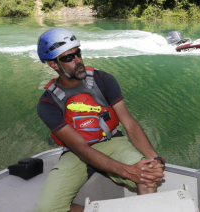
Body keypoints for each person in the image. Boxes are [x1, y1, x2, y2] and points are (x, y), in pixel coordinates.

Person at [34, 28, 165, 212]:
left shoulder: (104, 80)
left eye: (77, 53)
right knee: (45, 210)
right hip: (76, 153)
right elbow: (82, 150)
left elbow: (129, 124)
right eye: (68, 58)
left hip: (112, 142)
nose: (78, 61)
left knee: (147, 175)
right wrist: (128, 171)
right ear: (53, 65)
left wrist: (154, 158)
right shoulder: (47, 104)